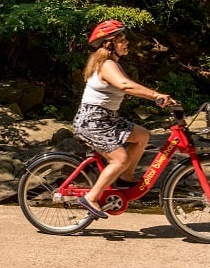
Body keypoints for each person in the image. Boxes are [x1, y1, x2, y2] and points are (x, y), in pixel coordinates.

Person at [72, 20, 176, 219]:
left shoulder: (112, 63)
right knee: (120, 159)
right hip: (92, 121)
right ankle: (91, 197)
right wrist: (156, 96)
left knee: (142, 135)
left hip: (105, 119)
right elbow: (125, 85)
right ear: (110, 44)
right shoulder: (107, 64)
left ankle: (124, 178)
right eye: (122, 40)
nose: (126, 43)